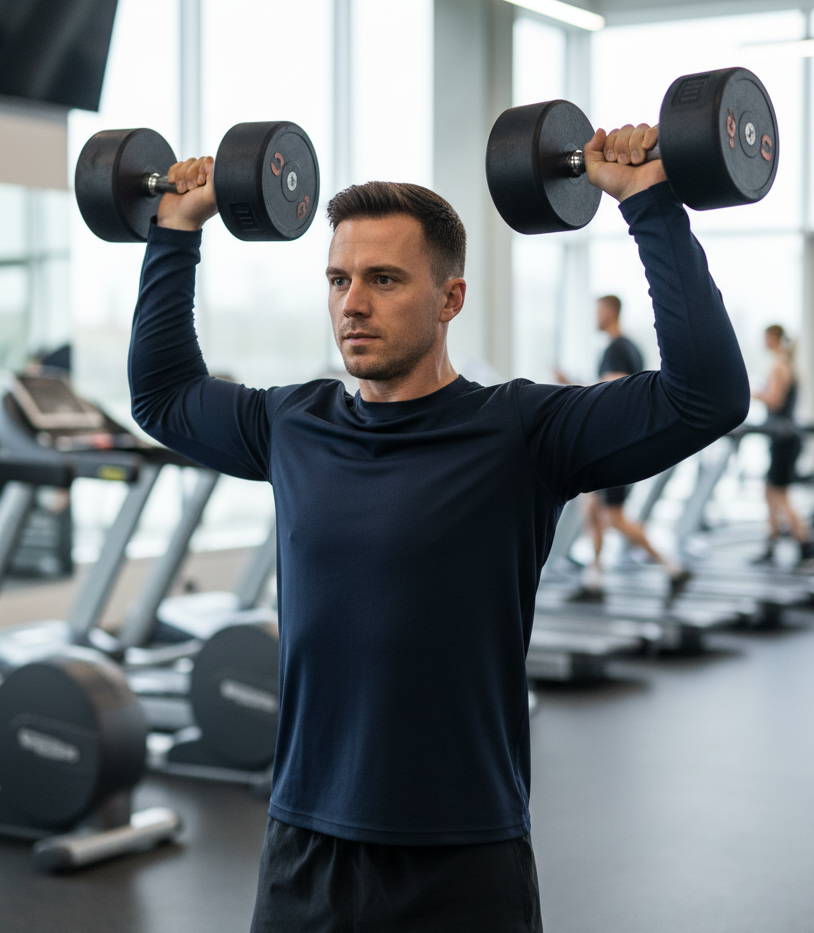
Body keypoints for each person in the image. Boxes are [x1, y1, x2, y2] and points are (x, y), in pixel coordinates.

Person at [128, 121, 749, 932]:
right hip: (303, 850)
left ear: (449, 297)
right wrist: (176, 227)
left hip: (462, 859)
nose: (353, 302)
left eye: (384, 279)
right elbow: (164, 394)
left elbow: (706, 395)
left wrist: (649, 201)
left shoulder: (525, 432)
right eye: (339, 279)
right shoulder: (292, 423)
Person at [557, 296, 689, 598]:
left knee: (613, 517)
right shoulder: (627, 347)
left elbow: (612, 387)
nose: (596, 316)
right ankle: (595, 577)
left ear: (611, 312)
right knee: (590, 507)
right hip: (614, 440)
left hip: (616, 442)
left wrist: (574, 385)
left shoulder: (617, 348)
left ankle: (673, 567)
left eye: (599, 311)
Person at [751, 323, 814, 567]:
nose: (763, 341)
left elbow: (775, 401)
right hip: (784, 438)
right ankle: (772, 541)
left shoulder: (779, 364)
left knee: (780, 493)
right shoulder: (786, 363)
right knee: (770, 490)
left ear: (774, 338)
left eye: (766, 337)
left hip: (784, 439)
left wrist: (754, 393)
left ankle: (805, 543)